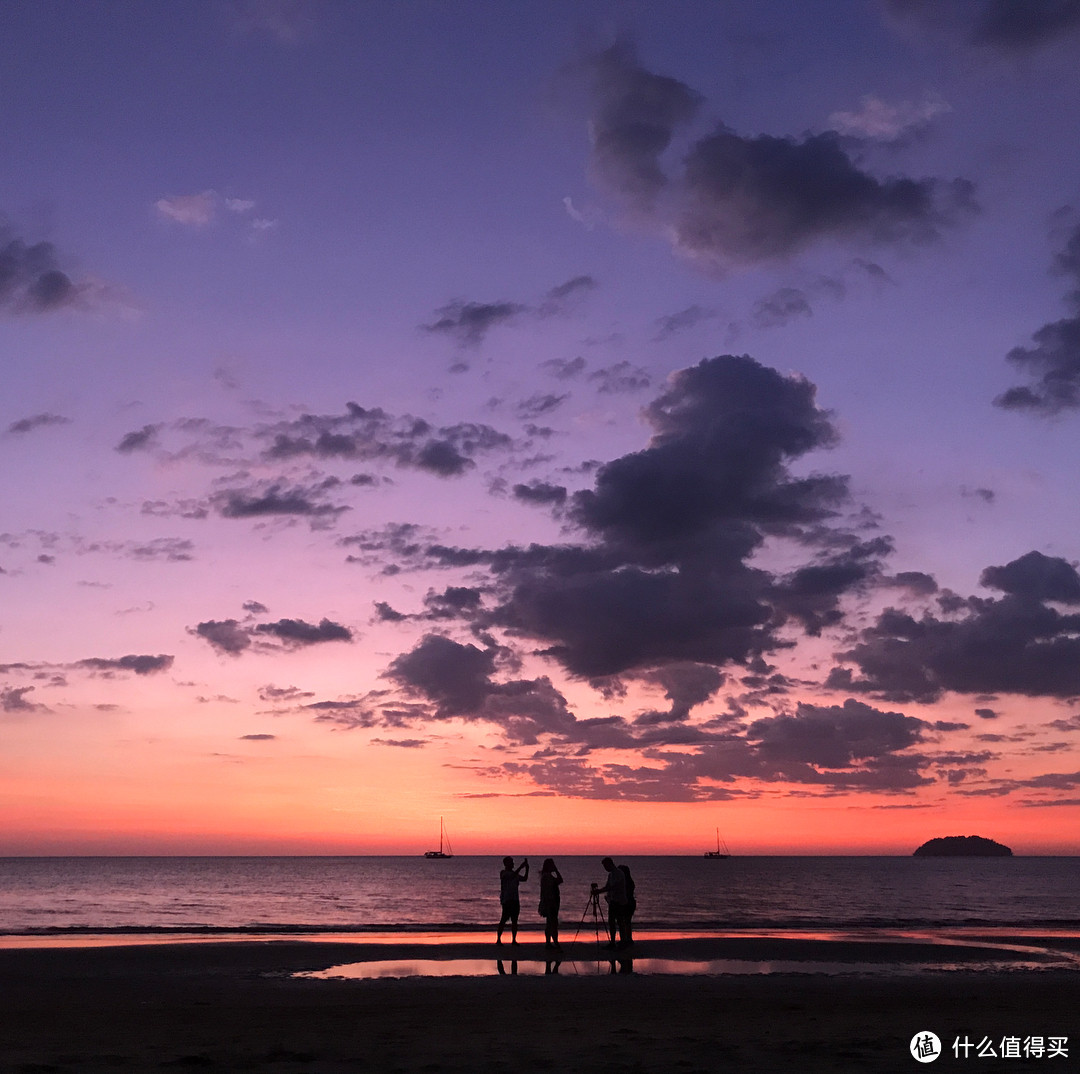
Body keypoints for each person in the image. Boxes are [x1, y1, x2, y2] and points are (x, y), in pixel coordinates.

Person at [592, 856, 632, 948]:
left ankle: (623, 941)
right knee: (611, 922)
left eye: (605, 866)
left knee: (620, 921)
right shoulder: (611, 875)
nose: (605, 869)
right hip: (613, 901)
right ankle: (613, 942)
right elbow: (608, 887)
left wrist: (599, 891)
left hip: (620, 902)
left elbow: (613, 887)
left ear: (610, 864)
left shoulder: (619, 873)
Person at [496, 856, 528, 944]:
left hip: (515, 899)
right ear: (506, 864)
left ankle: (513, 940)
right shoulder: (503, 873)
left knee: (514, 920)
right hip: (507, 900)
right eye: (511, 862)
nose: (513, 864)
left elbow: (525, 879)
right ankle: (498, 939)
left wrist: (527, 868)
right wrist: (521, 867)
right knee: (503, 919)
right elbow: (511, 876)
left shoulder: (515, 874)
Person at [538, 858, 563, 948]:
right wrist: (556, 870)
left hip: (549, 901)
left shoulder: (545, 876)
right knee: (553, 923)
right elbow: (560, 880)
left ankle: (549, 942)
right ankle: (554, 942)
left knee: (549, 923)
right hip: (551, 901)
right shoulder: (547, 876)